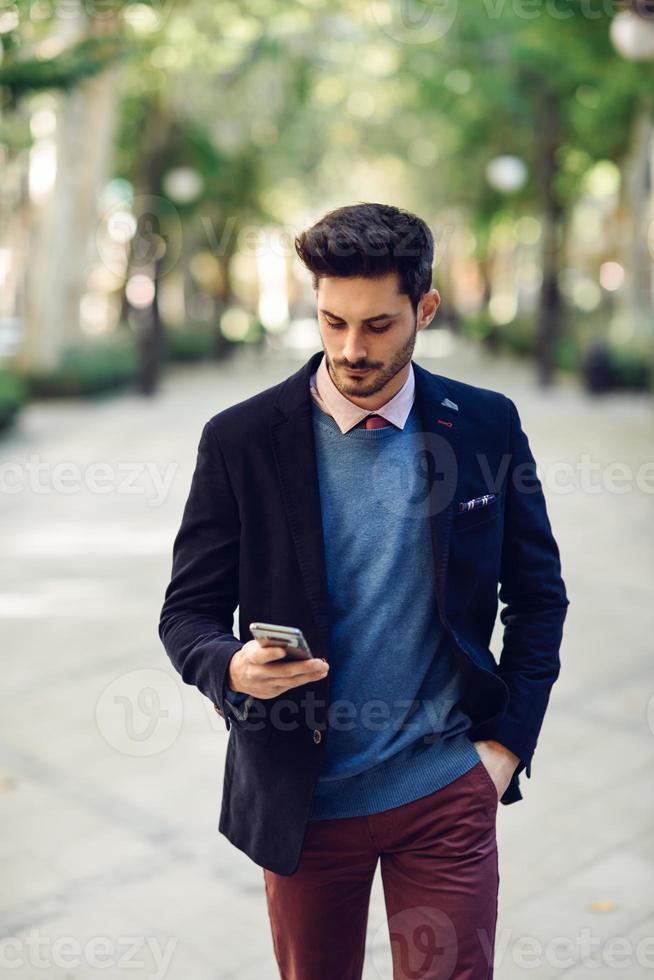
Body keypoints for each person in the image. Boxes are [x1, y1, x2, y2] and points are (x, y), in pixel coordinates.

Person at [158, 202, 569, 979]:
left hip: (445, 788)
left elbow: (540, 596)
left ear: (426, 309)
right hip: (302, 801)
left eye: (379, 326)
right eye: (332, 321)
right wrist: (230, 668)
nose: (351, 348)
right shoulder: (241, 438)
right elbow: (188, 613)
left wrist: (507, 745)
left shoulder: (485, 426)